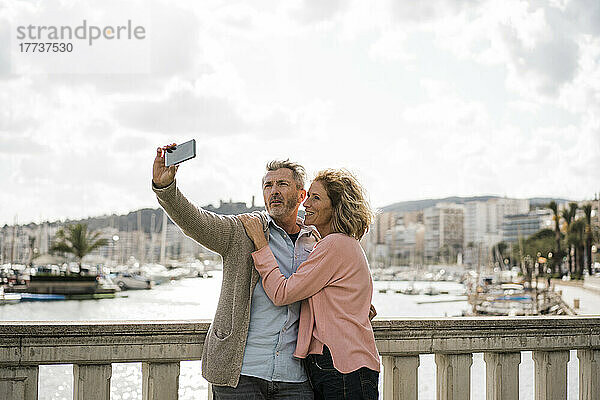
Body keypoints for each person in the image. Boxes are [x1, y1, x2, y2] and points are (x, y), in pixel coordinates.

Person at [152, 144, 317, 399]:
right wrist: (166, 189)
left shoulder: (316, 241)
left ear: (301, 195)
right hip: (241, 376)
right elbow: (196, 221)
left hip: (295, 377)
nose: (273, 192)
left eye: (282, 184)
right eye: (268, 185)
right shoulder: (243, 230)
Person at [239, 168, 380, 400]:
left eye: (316, 198)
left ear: (336, 207)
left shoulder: (333, 245)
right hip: (348, 363)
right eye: (308, 197)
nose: (306, 204)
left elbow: (282, 293)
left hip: (340, 366)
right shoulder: (345, 244)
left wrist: (261, 244)